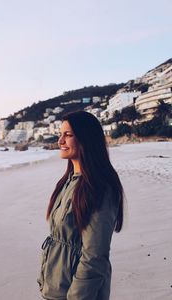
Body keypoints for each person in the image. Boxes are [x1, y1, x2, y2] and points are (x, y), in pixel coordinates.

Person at [37, 110, 124, 300]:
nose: (60, 141)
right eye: (60, 134)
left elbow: (94, 256)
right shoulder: (69, 182)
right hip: (56, 288)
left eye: (68, 135)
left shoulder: (99, 188)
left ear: (86, 139)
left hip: (76, 294)